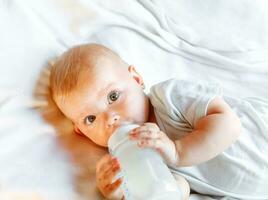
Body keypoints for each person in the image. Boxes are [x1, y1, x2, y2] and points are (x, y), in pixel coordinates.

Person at [50, 43, 268, 200]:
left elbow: (229, 124)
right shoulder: (127, 157)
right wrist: (122, 192)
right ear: (80, 131)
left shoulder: (169, 97)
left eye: (113, 97)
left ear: (136, 79)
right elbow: (176, 190)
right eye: (91, 118)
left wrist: (177, 151)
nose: (110, 118)